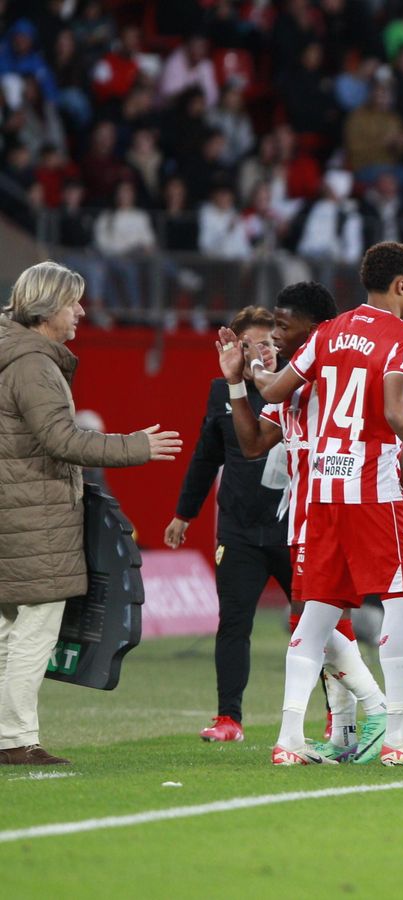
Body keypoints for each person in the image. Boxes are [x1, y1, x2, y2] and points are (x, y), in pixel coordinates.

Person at [249, 241, 403, 766]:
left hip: (320, 491)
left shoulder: (328, 331)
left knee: (317, 613)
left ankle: (289, 740)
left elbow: (274, 392)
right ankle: (399, 736)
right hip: (372, 489)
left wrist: (248, 374)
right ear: (401, 285)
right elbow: (398, 412)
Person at [0, 261, 181, 766]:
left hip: (9, 512)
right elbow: (60, 438)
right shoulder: (34, 365)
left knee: (7, 630)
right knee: (34, 631)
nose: (81, 311)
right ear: (46, 309)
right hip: (34, 516)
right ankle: (16, 740)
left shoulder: (8, 352)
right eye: (72, 302)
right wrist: (136, 445)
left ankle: (6, 735)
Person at [217, 282, 388, 762]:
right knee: (322, 618)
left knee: (311, 615)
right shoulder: (294, 379)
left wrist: (252, 366)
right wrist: (236, 383)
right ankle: (347, 730)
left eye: (283, 326)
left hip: (339, 508)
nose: (276, 335)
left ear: (316, 330)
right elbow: (252, 444)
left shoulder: (325, 374)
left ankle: (370, 711)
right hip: (305, 509)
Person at [164, 306, 290, 743]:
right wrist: (185, 512)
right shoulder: (222, 391)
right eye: (258, 343)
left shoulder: (296, 386)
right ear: (236, 348)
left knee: (319, 624)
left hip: (294, 528)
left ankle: (339, 717)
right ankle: (228, 719)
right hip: (239, 530)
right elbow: (206, 456)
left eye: (273, 341)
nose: (268, 350)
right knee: (233, 623)